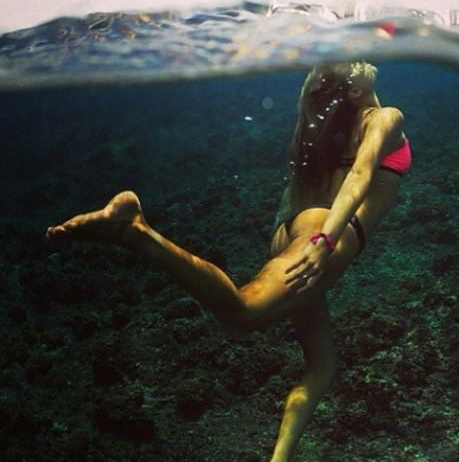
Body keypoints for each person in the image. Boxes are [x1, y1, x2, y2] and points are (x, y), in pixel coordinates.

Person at [46, 61, 411, 462]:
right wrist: (324, 241)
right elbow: (360, 175)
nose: (363, 59)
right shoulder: (386, 117)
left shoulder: (331, 129)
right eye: (352, 65)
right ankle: (136, 232)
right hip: (325, 234)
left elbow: (312, 183)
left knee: (321, 367)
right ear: (355, 91)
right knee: (242, 314)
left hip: (295, 227)